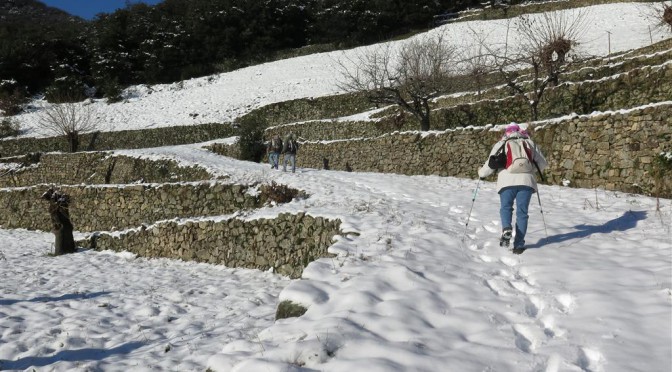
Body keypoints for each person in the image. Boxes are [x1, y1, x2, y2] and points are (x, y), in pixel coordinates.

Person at [478, 123, 548, 249]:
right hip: (526, 182)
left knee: (506, 207)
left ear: (506, 132)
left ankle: (506, 229)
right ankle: (519, 245)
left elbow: (490, 164)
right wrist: (529, 170)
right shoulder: (529, 143)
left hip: (506, 182)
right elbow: (543, 163)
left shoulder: (501, 144)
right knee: (522, 213)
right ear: (521, 132)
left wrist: (481, 173)